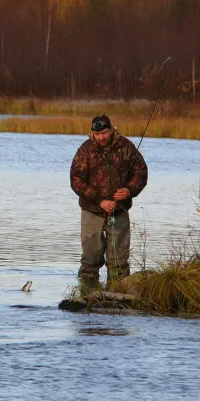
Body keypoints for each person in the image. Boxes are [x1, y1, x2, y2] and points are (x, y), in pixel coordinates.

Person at [70, 115, 148, 287]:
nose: (101, 138)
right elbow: (76, 180)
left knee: (119, 261)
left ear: (112, 130)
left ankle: (117, 298)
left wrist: (129, 190)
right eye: (97, 134)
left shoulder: (126, 147)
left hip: (119, 211)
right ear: (92, 133)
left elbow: (141, 172)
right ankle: (87, 296)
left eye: (104, 133)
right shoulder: (85, 150)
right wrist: (100, 201)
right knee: (91, 258)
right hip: (92, 211)